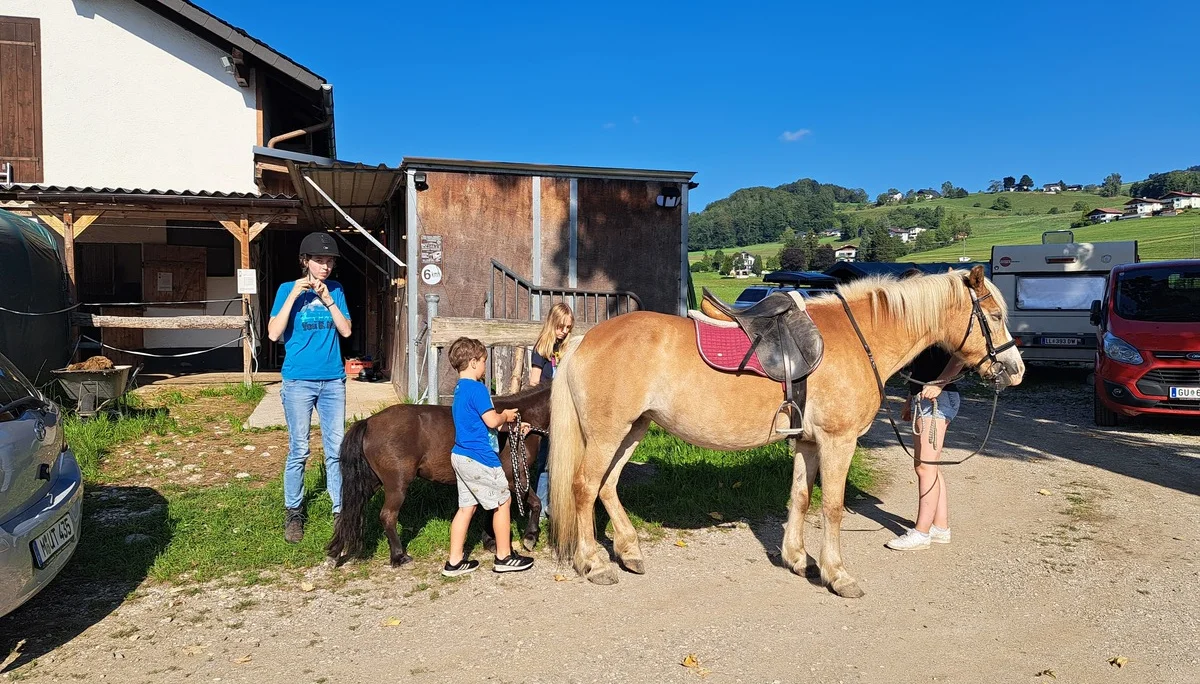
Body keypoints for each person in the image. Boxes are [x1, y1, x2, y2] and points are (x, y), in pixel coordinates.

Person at [267, 232, 352, 544]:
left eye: (329, 261)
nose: (325, 266)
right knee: (299, 449)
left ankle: (340, 511)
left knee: (335, 449)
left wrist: (327, 298)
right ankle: (293, 511)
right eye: (319, 260)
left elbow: (345, 331)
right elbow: (274, 333)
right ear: (305, 261)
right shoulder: (286, 290)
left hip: (332, 381)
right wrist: (295, 295)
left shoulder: (337, 290)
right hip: (298, 380)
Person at [887, 268, 965, 551]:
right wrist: (911, 398)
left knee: (924, 467)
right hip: (927, 399)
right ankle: (940, 527)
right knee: (929, 467)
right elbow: (919, 369)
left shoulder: (939, 325)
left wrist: (940, 384)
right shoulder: (921, 327)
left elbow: (961, 357)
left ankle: (920, 533)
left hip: (938, 400)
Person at [443, 337, 535, 576]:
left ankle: (454, 562)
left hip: (460, 456)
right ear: (473, 362)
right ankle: (503, 556)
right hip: (480, 459)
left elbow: (481, 425)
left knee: (466, 508)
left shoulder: (460, 390)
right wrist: (506, 416)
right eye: (484, 361)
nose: (485, 366)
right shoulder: (478, 389)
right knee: (503, 501)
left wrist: (512, 427)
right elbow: (492, 420)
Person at [527, 303, 574, 518]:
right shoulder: (542, 348)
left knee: (564, 462)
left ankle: (559, 505)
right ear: (552, 324)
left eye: (568, 328)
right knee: (545, 460)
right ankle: (541, 505)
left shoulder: (567, 348)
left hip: (565, 412)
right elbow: (534, 381)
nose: (564, 332)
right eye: (561, 327)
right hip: (547, 412)